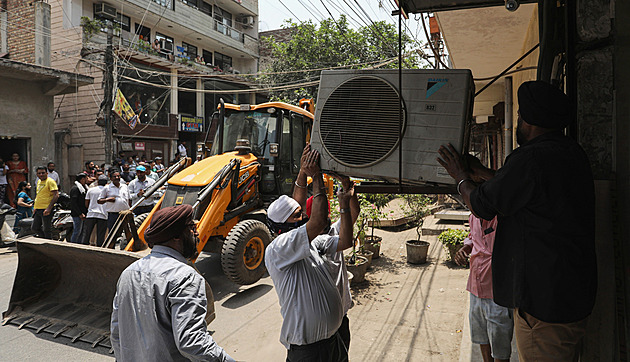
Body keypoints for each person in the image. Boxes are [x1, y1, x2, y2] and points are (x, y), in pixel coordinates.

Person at [437, 80, 597, 361]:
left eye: (521, 116)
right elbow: (525, 190)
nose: (519, 120)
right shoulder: (570, 153)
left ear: (531, 121)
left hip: (545, 307)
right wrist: (484, 173)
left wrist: (460, 177)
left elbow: (483, 205)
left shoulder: (531, 158)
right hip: (570, 295)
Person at [110, 204, 235, 362]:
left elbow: (116, 333)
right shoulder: (185, 277)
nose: (196, 233)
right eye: (191, 227)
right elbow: (192, 343)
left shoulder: (129, 272)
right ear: (176, 236)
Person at [265, 146, 355, 361]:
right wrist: (316, 177)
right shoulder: (279, 248)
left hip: (332, 342)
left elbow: (345, 241)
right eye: (297, 216)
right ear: (282, 226)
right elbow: (318, 221)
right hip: (309, 352)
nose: (303, 216)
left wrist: (344, 202)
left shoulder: (312, 243)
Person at [291, 145, 359, 352]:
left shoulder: (334, 233)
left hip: (341, 319)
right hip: (317, 334)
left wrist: (347, 187)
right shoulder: (298, 244)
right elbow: (295, 203)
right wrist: (304, 174)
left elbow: (353, 213)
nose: (326, 217)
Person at [455, 214, 512, 362]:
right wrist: (465, 248)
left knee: (500, 348)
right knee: (482, 337)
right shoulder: (473, 217)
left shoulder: (503, 218)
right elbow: (473, 237)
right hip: (475, 288)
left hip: (497, 293)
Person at [32, 166, 59, 239]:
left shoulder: (50, 181)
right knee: (35, 228)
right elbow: (39, 195)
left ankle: (48, 244)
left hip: (46, 209)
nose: (41, 175)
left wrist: (49, 208)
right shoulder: (38, 181)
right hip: (38, 208)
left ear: (47, 173)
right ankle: (44, 240)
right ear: (37, 174)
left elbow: (56, 195)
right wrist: (35, 207)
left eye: (43, 173)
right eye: (39, 173)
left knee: (47, 229)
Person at [83, 175, 108, 246]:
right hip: (103, 215)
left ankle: (84, 249)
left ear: (97, 182)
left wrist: (91, 208)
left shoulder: (91, 190)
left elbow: (86, 203)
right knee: (100, 236)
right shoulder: (107, 190)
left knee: (87, 234)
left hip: (91, 214)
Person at [69, 173, 89, 244]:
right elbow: (74, 203)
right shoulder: (75, 189)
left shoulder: (84, 188)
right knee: (77, 231)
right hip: (78, 214)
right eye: (86, 178)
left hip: (84, 213)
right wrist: (79, 213)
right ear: (82, 179)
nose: (88, 180)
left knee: (82, 232)